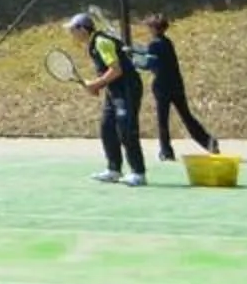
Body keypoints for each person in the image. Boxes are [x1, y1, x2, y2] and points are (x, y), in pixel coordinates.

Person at [68, 12, 145, 186]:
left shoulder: (101, 42)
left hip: (127, 88)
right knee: (107, 128)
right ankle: (114, 170)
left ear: (82, 29)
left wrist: (96, 84)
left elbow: (116, 70)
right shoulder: (93, 44)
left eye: (73, 29)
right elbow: (106, 71)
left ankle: (138, 173)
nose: (71, 34)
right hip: (115, 90)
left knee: (126, 130)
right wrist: (99, 85)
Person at [135, 13, 219, 162]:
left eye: (150, 26)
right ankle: (208, 142)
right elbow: (150, 54)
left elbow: (148, 64)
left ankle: (166, 152)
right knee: (187, 117)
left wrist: (133, 61)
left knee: (163, 120)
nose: (148, 29)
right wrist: (136, 51)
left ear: (155, 28)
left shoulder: (154, 44)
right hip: (176, 85)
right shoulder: (167, 42)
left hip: (163, 88)